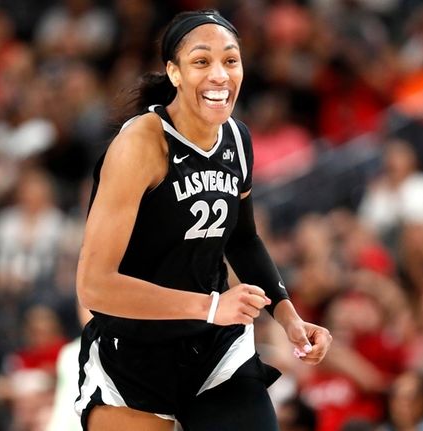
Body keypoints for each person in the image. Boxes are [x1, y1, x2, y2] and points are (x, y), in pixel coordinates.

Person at [74, 9, 332, 431]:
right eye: (201, 61)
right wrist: (212, 306)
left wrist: (288, 317)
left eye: (230, 60)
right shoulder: (140, 144)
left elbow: (243, 239)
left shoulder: (237, 137)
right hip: (134, 352)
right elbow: (94, 285)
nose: (220, 75)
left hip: (215, 351)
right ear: (173, 73)